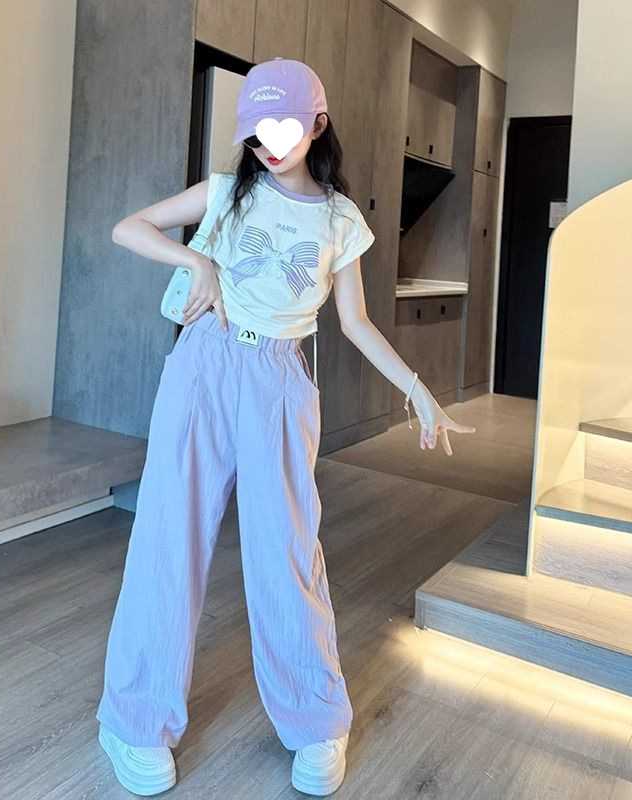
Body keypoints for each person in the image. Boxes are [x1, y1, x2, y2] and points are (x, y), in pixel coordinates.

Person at [95, 57, 477, 797]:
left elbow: (356, 322)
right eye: (257, 131)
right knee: (170, 536)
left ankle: (315, 718)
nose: (269, 143)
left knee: (288, 548)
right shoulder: (223, 191)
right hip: (204, 364)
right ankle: (134, 720)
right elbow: (128, 228)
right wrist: (195, 262)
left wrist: (418, 390)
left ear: (317, 124)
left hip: (279, 379)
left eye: (284, 127)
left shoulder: (340, 220)